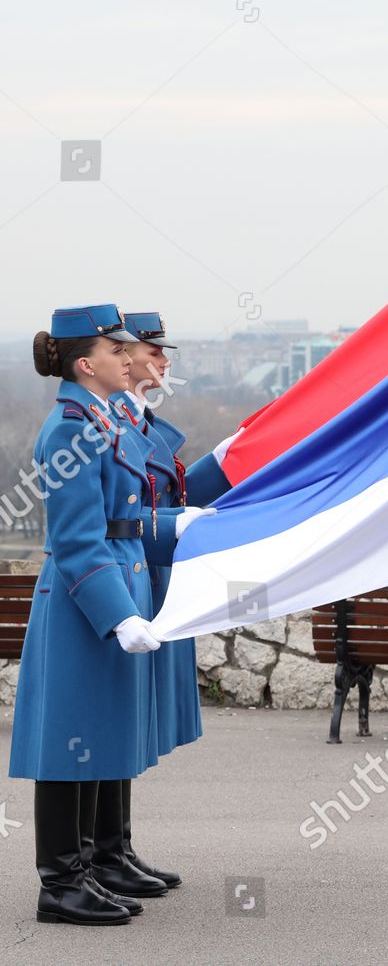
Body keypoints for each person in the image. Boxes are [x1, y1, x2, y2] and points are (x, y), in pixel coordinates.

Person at [10, 304, 199, 925]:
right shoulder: (71, 428)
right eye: (117, 352)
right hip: (83, 605)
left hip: (116, 588)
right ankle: (61, 882)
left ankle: (99, 861)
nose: (131, 358)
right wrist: (117, 615)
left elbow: (125, 519)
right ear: (85, 364)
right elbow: (76, 539)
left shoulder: (99, 420)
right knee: (74, 743)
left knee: (100, 735)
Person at [98, 310, 213, 894]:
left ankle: (115, 850)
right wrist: (176, 524)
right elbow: (108, 523)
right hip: (126, 579)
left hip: (148, 576)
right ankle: (97, 858)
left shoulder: (140, 419)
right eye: (151, 352)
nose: (164, 362)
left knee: (131, 722)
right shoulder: (102, 422)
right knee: (113, 722)